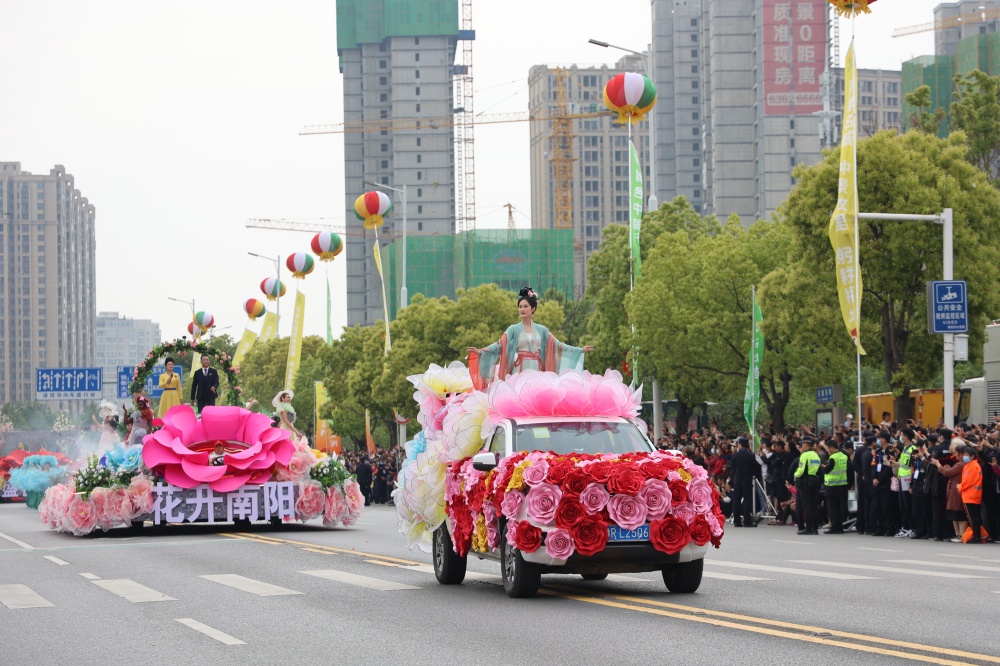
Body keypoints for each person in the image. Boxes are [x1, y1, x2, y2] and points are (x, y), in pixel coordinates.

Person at [466, 286, 594, 391]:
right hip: (519, 369)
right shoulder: (513, 329)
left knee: (536, 393)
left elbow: (558, 345)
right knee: (520, 393)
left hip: (537, 368)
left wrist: (580, 350)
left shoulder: (542, 330)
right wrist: (481, 351)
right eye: (520, 306)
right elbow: (499, 344)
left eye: (525, 306)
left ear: (533, 309)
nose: (522, 309)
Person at [820, 435, 850, 534]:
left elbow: (827, 470)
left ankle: (834, 527)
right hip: (842, 484)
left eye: (828, 448)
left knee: (832, 508)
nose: (828, 451)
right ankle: (840, 527)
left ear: (832, 448)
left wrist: (823, 467)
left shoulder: (833, 458)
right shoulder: (844, 456)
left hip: (832, 486)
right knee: (840, 507)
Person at [730, 437, 760, 527]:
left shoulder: (735, 455)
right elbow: (755, 468)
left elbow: (733, 468)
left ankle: (737, 521)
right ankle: (747, 521)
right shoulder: (751, 455)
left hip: (737, 480)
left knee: (736, 501)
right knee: (747, 500)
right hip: (747, 480)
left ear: (740, 444)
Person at [794, 436, 822, 535]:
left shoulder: (804, 455)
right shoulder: (816, 455)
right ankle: (815, 528)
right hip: (814, 481)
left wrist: (795, 474)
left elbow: (801, 470)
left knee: (807, 506)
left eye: (802, 444)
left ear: (806, 444)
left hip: (805, 482)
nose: (801, 446)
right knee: (814, 505)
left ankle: (808, 528)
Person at [958, 444, 985, 543]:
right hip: (971, 495)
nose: (964, 456)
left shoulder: (973, 466)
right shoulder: (969, 466)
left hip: (971, 495)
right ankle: (978, 535)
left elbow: (968, 481)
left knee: (973, 518)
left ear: (972, 456)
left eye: (966, 455)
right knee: (974, 517)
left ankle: (977, 536)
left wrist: (960, 486)